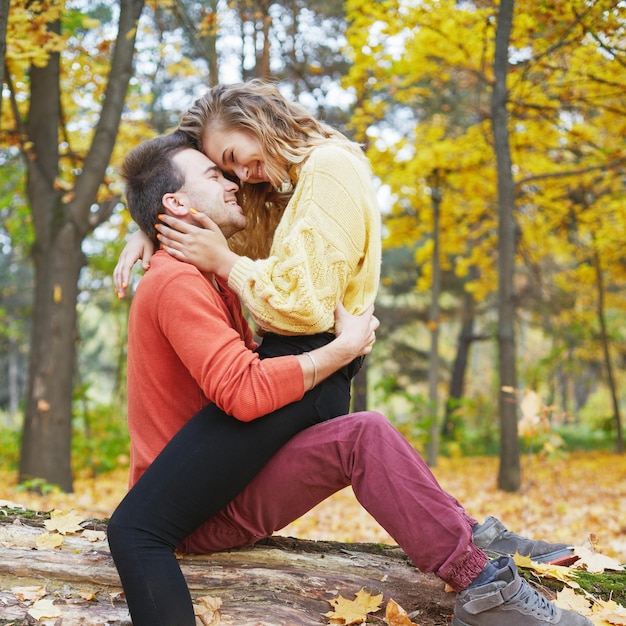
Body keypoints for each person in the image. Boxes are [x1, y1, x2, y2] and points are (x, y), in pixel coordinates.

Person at [107, 131, 590, 626]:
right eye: (216, 174)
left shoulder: (205, 276)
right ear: (176, 201)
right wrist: (342, 350)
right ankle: (482, 573)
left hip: (231, 480)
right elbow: (244, 391)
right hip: (185, 509)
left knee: (365, 432)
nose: (232, 182)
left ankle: (480, 565)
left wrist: (150, 224)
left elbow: (244, 375)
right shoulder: (175, 281)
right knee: (342, 400)